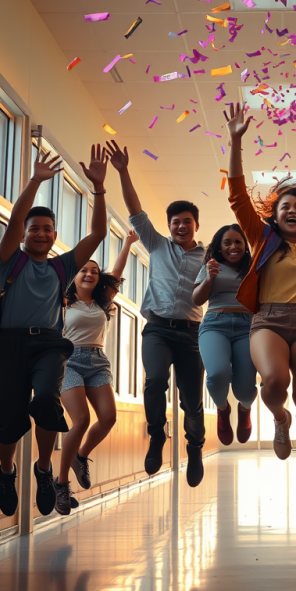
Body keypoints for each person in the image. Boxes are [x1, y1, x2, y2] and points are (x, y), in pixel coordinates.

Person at [0, 146, 108, 517]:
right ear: (24, 235)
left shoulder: (63, 267)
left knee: (45, 400)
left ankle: (43, 469)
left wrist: (99, 189)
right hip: (8, 344)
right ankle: (7, 472)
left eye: (46, 229)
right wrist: (36, 181)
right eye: (34, 229)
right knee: (8, 418)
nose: (40, 233)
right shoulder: (10, 259)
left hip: (48, 345)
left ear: (55, 235)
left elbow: (99, 232)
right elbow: (14, 221)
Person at [225, 103, 296, 491]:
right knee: (273, 382)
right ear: (275, 215)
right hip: (267, 320)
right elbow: (238, 197)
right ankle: (280, 418)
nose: (292, 210)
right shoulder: (262, 238)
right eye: (285, 206)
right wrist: (235, 140)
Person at [105, 140, 207, 487]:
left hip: (192, 334)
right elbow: (135, 210)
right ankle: (156, 435)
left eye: (187, 222)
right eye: (176, 222)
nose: (181, 226)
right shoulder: (158, 245)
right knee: (155, 380)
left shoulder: (208, 257)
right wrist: (123, 171)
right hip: (158, 330)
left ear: (196, 225)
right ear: (169, 226)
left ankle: (195, 447)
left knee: (192, 401)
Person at [54, 230, 138, 515]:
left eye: (93, 271)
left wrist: (127, 244)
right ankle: (61, 483)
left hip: (98, 361)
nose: (89, 274)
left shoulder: (103, 301)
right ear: (73, 276)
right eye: (83, 270)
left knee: (109, 418)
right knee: (81, 420)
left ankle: (80, 456)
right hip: (69, 360)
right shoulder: (63, 301)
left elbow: (117, 273)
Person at [192, 224, 257, 445]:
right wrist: (209, 278)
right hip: (215, 324)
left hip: (247, 326)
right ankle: (223, 409)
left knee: (245, 390)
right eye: (227, 242)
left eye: (238, 242)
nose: (233, 246)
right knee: (217, 375)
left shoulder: (253, 267)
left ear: (245, 246)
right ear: (219, 247)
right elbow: (197, 300)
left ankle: (245, 408)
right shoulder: (211, 266)